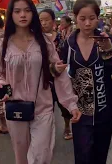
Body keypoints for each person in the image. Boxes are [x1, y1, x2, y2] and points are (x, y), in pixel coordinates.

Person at [0, 0, 81, 164]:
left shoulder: (44, 42)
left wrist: (71, 104)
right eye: (17, 11)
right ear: (11, 14)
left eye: (27, 10)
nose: (23, 15)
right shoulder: (1, 45)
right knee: (22, 157)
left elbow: (60, 73)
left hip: (43, 107)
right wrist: (1, 85)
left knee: (41, 156)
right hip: (15, 107)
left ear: (33, 13)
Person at [54, 0, 112, 163]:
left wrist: (109, 50)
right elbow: (60, 73)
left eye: (92, 18)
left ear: (98, 18)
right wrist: (54, 69)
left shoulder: (105, 40)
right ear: (75, 18)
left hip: (104, 110)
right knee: (83, 155)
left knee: (100, 155)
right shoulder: (68, 45)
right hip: (80, 112)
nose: (87, 23)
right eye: (82, 19)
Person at [39, 9, 73, 140]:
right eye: (41, 20)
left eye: (46, 20)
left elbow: (64, 57)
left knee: (63, 104)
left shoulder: (60, 37)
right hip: (44, 78)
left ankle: (67, 126)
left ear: (53, 22)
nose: (43, 23)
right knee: (46, 107)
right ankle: (48, 131)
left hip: (59, 76)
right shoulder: (37, 39)